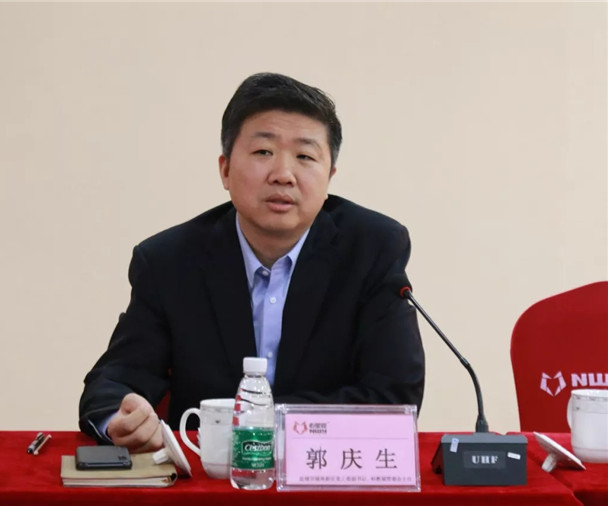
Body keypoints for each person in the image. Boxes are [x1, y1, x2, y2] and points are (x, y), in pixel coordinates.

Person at [79, 72, 425, 452]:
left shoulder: (373, 249)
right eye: (263, 152)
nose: (283, 175)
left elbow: (394, 398)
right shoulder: (169, 262)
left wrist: (263, 423)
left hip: (326, 470)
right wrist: (119, 420)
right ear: (225, 170)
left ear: (329, 177)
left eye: (305, 156)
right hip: (210, 475)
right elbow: (115, 381)